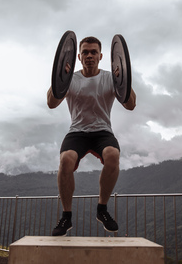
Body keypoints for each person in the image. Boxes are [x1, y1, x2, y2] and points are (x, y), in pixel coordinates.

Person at [47, 36, 136, 236]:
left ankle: (102, 209)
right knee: (65, 160)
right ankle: (66, 215)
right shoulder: (71, 79)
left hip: (102, 131)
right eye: (85, 52)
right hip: (77, 131)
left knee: (113, 155)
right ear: (78, 56)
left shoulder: (110, 77)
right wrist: (61, 75)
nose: (89, 56)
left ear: (101, 56)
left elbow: (130, 105)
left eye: (93, 52)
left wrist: (124, 78)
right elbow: (51, 103)